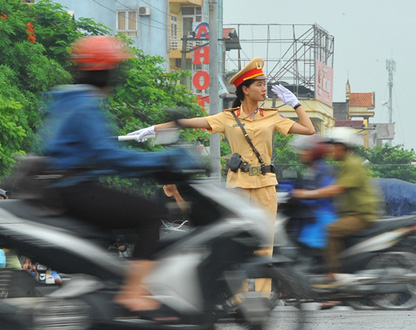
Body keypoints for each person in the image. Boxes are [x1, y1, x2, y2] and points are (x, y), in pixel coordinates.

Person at [131, 57, 315, 293]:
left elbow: (309, 130)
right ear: (245, 89)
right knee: (235, 242)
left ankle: (262, 301)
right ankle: (235, 301)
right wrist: (154, 129)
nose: (264, 88)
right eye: (259, 84)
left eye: (264, 83)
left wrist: (296, 104)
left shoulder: (272, 116)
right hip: (237, 184)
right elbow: (190, 122)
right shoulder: (228, 118)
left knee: (265, 243)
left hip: (265, 185)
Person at [42, 36, 198, 312]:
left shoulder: (69, 100)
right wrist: (162, 160)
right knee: (149, 214)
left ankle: (111, 283)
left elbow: (103, 157)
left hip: (65, 187)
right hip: (76, 189)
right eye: (115, 70)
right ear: (103, 72)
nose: (117, 77)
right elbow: (109, 157)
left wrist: (148, 168)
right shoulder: (86, 105)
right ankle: (133, 292)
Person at [291, 127, 381, 285]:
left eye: (333, 145)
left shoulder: (351, 164)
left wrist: (306, 194)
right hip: (349, 212)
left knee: (331, 230)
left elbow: (337, 189)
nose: (330, 149)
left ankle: (333, 275)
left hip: (361, 215)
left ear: (342, 146)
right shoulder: (342, 164)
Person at [287, 134, 337, 248]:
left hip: (322, 216)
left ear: (315, 152)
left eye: (305, 150)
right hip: (310, 215)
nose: (301, 153)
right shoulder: (310, 171)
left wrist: (303, 194)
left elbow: (323, 193)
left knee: (306, 244)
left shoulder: (325, 171)